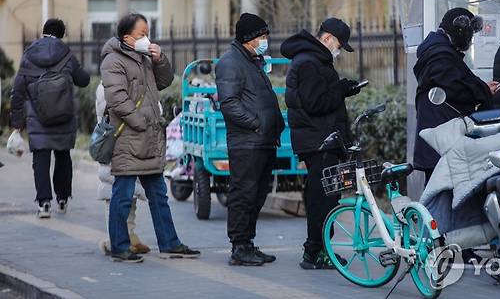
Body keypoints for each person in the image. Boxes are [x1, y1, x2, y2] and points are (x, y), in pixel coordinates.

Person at [100, 13, 200, 263]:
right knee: (122, 196)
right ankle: (120, 247)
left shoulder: (144, 58)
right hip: (128, 139)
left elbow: (164, 81)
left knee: (159, 195)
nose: (147, 38)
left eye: (148, 33)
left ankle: (170, 243)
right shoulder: (113, 61)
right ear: (127, 37)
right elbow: (117, 99)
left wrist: (160, 58)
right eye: (141, 34)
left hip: (149, 139)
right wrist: (140, 123)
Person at [281, 17, 361, 270]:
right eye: (338, 45)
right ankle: (316, 252)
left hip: (323, 139)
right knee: (322, 199)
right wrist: (341, 90)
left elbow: (320, 98)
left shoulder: (314, 60)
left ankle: (319, 249)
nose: (339, 51)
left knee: (325, 197)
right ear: (327, 39)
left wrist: (340, 89)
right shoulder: (309, 63)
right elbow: (316, 104)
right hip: (319, 141)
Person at [215, 13, 284, 266]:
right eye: (262, 36)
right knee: (244, 194)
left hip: (263, 140)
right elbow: (229, 103)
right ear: (249, 38)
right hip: (248, 141)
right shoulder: (230, 62)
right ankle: (239, 246)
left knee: (257, 194)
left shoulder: (252, 60)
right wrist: (256, 124)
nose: (265, 40)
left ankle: (248, 243)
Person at [10, 18, 90, 218]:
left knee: (41, 159)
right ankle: (62, 199)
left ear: (43, 32)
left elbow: (18, 91)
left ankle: (44, 203)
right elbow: (83, 80)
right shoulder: (66, 54)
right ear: (61, 34)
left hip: (37, 117)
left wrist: (17, 125)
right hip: (64, 115)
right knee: (63, 157)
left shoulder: (29, 54)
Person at [413, 8, 497, 184]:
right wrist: (482, 92)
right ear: (459, 30)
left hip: (442, 137)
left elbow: (459, 81)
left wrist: (482, 88)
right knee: (443, 197)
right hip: (441, 140)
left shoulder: (440, 52)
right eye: (469, 34)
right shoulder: (440, 56)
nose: (471, 40)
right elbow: (456, 87)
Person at [95, 82, 150, 256]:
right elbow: (119, 111)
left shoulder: (134, 80)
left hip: (132, 145)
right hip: (114, 145)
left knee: (131, 192)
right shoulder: (108, 84)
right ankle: (115, 239)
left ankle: (130, 234)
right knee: (114, 193)